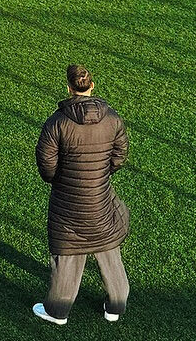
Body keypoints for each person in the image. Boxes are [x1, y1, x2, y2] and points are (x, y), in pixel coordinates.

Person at [32, 64, 129, 325]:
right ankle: (116, 306)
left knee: (68, 251)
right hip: (99, 195)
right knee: (108, 245)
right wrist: (101, 172)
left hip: (67, 200)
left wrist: (57, 179)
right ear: (91, 86)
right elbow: (120, 154)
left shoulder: (57, 122)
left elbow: (46, 161)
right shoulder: (112, 118)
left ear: (69, 88)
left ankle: (58, 311)